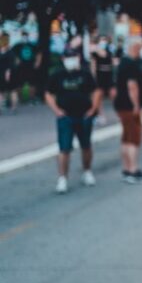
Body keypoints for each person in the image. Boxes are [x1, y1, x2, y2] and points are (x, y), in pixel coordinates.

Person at [44, 50, 100, 194]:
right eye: (68, 57)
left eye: (74, 57)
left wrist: (93, 109)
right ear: (63, 59)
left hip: (84, 115)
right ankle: (62, 178)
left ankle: (87, 171)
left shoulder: (85, 74)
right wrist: (56, 110)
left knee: (86, 145)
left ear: (78, 58)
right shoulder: (57, 74)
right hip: (66, 116)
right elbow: (48, 94)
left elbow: (95, 91)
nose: (71, 60)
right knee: (64, 148)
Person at [114, 37, 142, 184]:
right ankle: (132, 170)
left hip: (122, 105)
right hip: (129, 107)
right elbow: (132, 87)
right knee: (133, 138)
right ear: (134, 47)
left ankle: (127, 168)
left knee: (126, 137)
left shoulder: (123, 62)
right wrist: (136, 105)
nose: (141, 50)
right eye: (140, 47)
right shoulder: (131, 65)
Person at [90, 36, 115, 124]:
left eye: (105, 40)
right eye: (101, 40)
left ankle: (120, 111)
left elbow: (112, 60)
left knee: (113, 93)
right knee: (98, 95)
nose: (103, 42)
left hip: (109, 74)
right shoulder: (95, 52)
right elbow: (93, 65)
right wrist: (93, 77)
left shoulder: (110, 50)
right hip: (100, 74)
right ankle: (101, 115)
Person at [12, 31, 41, 102]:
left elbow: (39, 53)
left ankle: (32, 99)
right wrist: (15, 62)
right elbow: (12, 54)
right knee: (19, 84)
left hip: (30, 67)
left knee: (32, 83)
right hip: (20, 68)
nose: (24, 37)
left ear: (28, 36)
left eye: (26, 36)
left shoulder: (32, 45)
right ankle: (20, 100)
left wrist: (37, 63)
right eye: (23, 36)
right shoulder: (17, 46)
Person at [0, 34, 18, 113]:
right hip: (10, 73)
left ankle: (1, 108)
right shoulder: (10, 52)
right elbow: (12, 64)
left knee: (1, 92)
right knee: (12, 91)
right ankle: (14, 108)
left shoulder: (3, 52)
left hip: (3, 73)